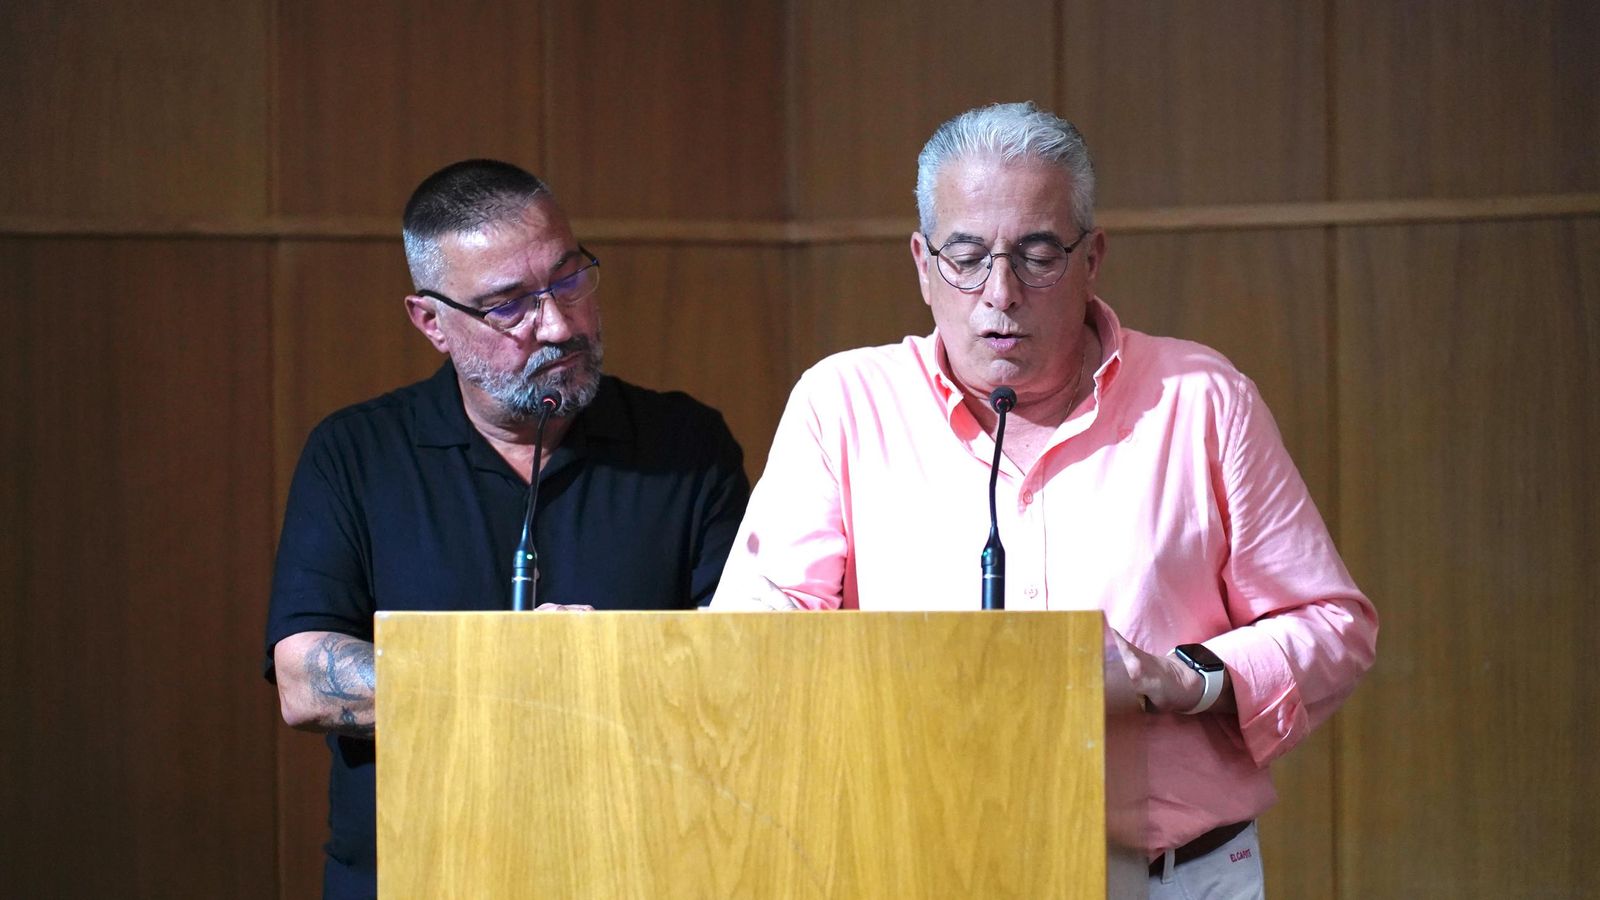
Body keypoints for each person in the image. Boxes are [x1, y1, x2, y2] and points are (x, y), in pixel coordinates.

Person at [711, 102, 1377, 897]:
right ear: (922, 264)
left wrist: (1182, 677)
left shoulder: (1201, 400)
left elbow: (1335, 628)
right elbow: (755, 640)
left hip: (1174, 877)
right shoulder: (842, 405)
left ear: (1092, 256)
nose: (1001, 292)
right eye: (966, 257)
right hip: (917, 863)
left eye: (1036, 255)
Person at [265, 159, 750, 899]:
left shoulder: (685, 446)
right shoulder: (356, 453)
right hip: (416, 872)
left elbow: (746, 663)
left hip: (635, 864)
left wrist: (605, 668)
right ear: (432, 322)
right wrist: (506, 674)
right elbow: (304, 679)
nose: (558, 324)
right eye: (509, 306)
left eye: (569, 279)